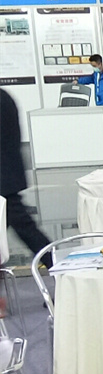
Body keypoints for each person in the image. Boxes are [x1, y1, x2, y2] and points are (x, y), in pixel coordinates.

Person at [0, 88, 52, 268]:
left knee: (26, 229)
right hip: (7, 178)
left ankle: (57, 266)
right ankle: (56, 265)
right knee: (25, 228)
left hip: (3, 181)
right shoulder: (4, 97)